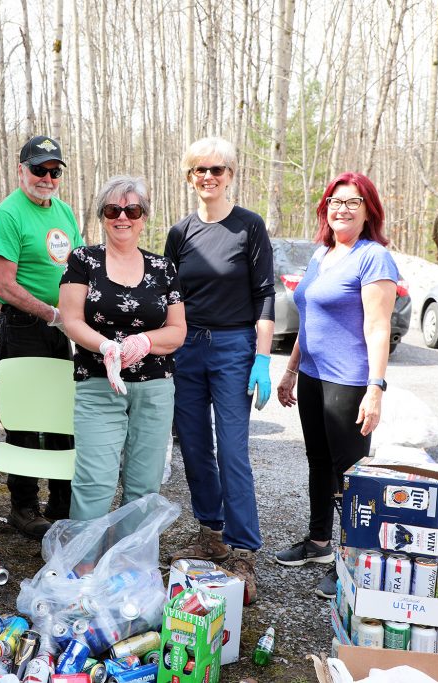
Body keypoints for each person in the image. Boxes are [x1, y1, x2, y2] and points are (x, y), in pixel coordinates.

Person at [273, 172, 398, 600]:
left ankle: (353, 562)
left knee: (351, 477)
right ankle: (319, 544)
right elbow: (309, 321)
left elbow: (379, 326)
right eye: (335, 201)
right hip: (311, 376)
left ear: (369, 212)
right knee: (317, 462)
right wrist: (291, 370)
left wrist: (376, 388)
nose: (342, 209)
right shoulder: (321, 254)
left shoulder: (373, 258)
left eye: (353, 202)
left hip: (349, 381)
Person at [164, 137, 275, 605]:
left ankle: (243, 549)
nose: (207, 177)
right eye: (198, 171)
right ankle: (211, 533)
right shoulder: (179, 232)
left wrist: (263, 358)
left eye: (216, 169)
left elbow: (265, 294)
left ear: (231, 175)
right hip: (187, 348)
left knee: (231, 449)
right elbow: (167, 298)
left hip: (233, 347)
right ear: (190, 178)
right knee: (193, 447)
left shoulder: (249, 227)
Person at [59, 176, 186, 520]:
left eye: (132, 209)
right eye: (113, 209)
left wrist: (145, 341)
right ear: (102, 215)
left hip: (155, 387)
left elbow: (177, 331)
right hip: (99, 383)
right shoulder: (83, 260)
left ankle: (129, 565)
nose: (123, 217)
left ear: (144, 216)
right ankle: (83, 565)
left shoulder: (163, 268)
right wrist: (106, 347)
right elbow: (71, 320)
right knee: (94, 481)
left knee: (144, 485)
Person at [0, 135, 84, 539]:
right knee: (26, 420)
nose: (47, 177)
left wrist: (77, 317)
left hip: (65, 329)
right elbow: (4, 285)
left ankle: (61, 505)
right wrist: (51, 313)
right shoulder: (8, 214)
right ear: (21, 169)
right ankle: (23, 507)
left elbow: (80, 269)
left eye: (54, 171)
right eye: (39, 169)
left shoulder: (64, 212)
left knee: (65, 416)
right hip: (25, 327)